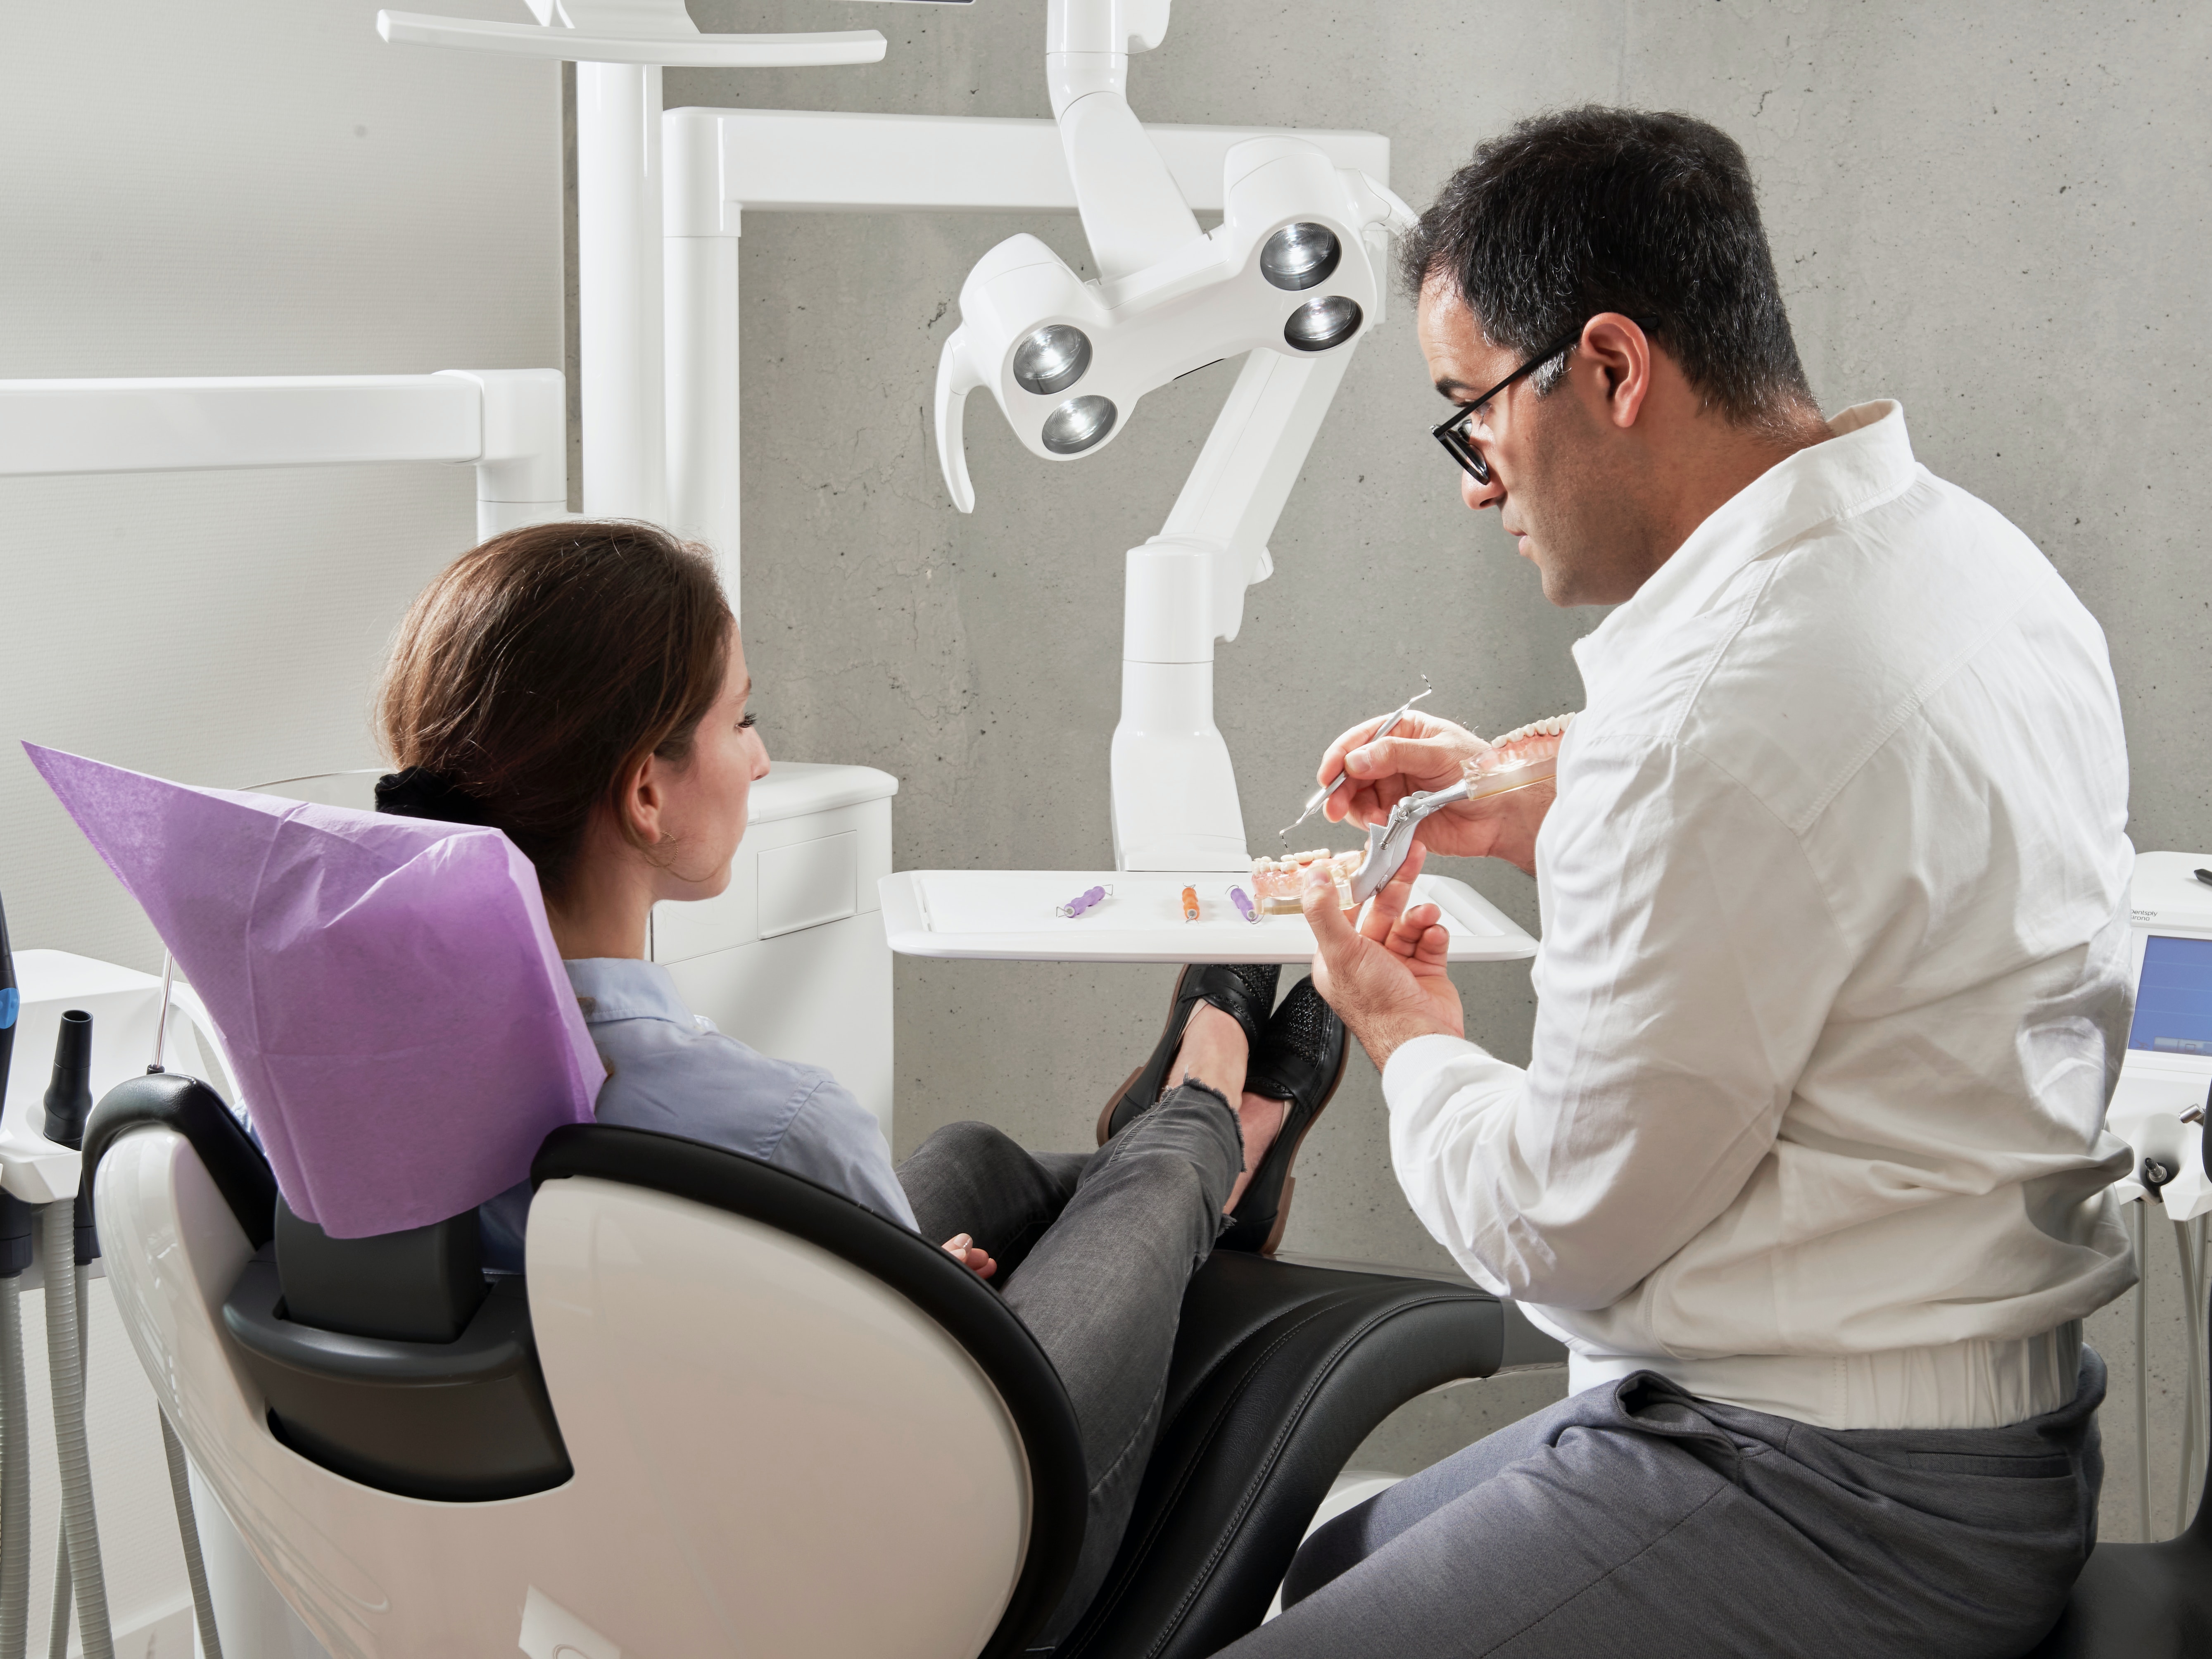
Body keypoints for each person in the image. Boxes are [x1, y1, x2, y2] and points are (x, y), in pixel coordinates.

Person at [1221, 107, 2136, 1657]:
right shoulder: (1974, 562)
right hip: (1998, 1440)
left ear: (1612, 368)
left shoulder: (1705, 731)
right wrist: (1542, 788)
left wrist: (1401, 1026)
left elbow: (1556, 1227)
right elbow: (1836, 793)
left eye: (1471, 414)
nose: (1474, 482)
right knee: (1342, 1564)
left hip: (1833, 1496)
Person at [368, 518, 1350, 1637]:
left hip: (646, 1540)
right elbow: (916, 1417)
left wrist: (890, 1303)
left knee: (977, 1160)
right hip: (926, 1583)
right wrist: (924, 1329)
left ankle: (1186, 1130)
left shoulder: (351, 1098)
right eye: (740, 719)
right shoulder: (769, 1128)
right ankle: (1214, 1116)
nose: (759, 758)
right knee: (1153, 1177)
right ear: (646, 793)